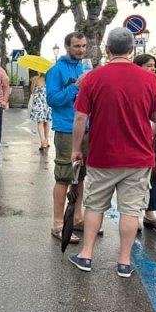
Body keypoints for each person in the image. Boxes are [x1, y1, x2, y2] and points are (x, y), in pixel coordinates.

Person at [69, 28, 156, 278]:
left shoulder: (93, 78)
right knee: (130, 210)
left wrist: (76, 149)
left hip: (102, 156)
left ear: (107, 49)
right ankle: (124, 262)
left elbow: (80, 117)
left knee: (94, 206)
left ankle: (86, 255)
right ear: (132, 50)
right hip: (138, 157)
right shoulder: (150, 79)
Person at [46, 32, 89, 244]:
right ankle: (58, 223)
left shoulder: (85, 67)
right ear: (67, 47)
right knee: (64, 175)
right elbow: (52, 99)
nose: (81, 50)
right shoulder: (56, 70)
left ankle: (78, 218)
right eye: (77, 46)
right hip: (66, 129)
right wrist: (75, 87)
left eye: (84, 46)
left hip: (86, 128)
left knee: (80, 176)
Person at [133, 54, 156, 232]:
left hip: (153, 138)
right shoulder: (134, 84)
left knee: (153, 179)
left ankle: (149, 214)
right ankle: (134, 215)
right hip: (138, 138)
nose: (153, 68)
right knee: (135, 180)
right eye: (148, 65)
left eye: (154, 65)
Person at [30, 73, 52, 151]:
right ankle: (46, 140)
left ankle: (43, 141)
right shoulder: (50, 79)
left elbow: (32, 91)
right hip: (47, 102)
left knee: (40, 122)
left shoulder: (35, 79)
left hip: (38, 103)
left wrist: (34, 83)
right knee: (46, 122)